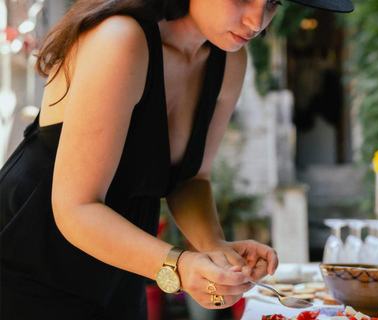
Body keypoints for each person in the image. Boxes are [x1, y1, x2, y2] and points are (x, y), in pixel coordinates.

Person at [0, 0, 353, 318]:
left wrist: (217, 252)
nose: (258, 20)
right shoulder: (120, 39)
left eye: (272, 3)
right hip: (30, 260)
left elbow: (191, 179)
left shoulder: (228, 58)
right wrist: (180, 266)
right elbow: (76, 206)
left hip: (119, 266)